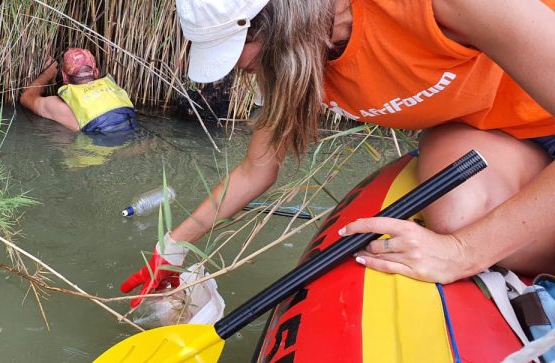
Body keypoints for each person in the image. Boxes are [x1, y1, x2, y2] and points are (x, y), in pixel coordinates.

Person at [120, 0, 555, 308]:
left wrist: (461, 252)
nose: (236, 68)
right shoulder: (294, 63)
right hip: (494, 134)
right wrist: (171, 247)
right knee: (460, 215)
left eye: (239, 49)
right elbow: (255, 170)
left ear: (285, 17)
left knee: (472, 237)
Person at [20, 48, 137, 134]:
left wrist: (47, 74)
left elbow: (26, 98)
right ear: (95, 73)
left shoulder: (60, 107)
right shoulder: (114, 91)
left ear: (65, 77)